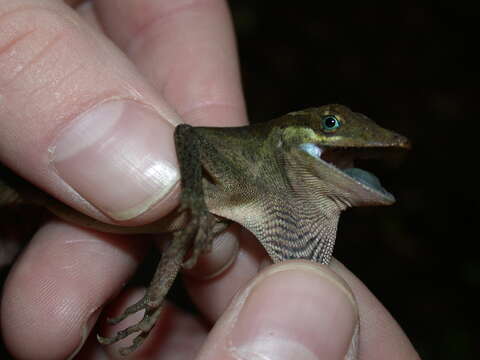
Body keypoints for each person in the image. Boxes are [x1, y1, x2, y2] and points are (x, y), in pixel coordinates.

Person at [0, 1, 420, 358]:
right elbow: (187, 135)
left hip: (45, 201)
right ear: (285, 137)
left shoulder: (239, 203)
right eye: (330, 124)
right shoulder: (242, 167)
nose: (338, 138)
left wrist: (154, 301)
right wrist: (197, 202)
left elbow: (179, 238)